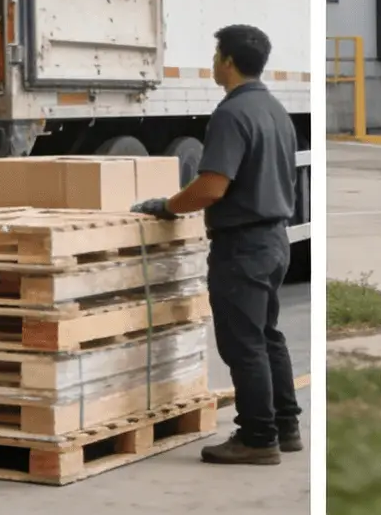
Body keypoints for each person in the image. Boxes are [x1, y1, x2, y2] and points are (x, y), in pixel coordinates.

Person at [132, 25, 300, 465]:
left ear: (227, 61)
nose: (212, 62)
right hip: (274, 240)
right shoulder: (274, 109)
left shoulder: (232, 114)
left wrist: (168, 206)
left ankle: (257, 439)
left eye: (215, 54)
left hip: (243, 244)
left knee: (243, 344)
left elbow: (211, 187)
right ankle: (286, 425)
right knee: (267, 336)